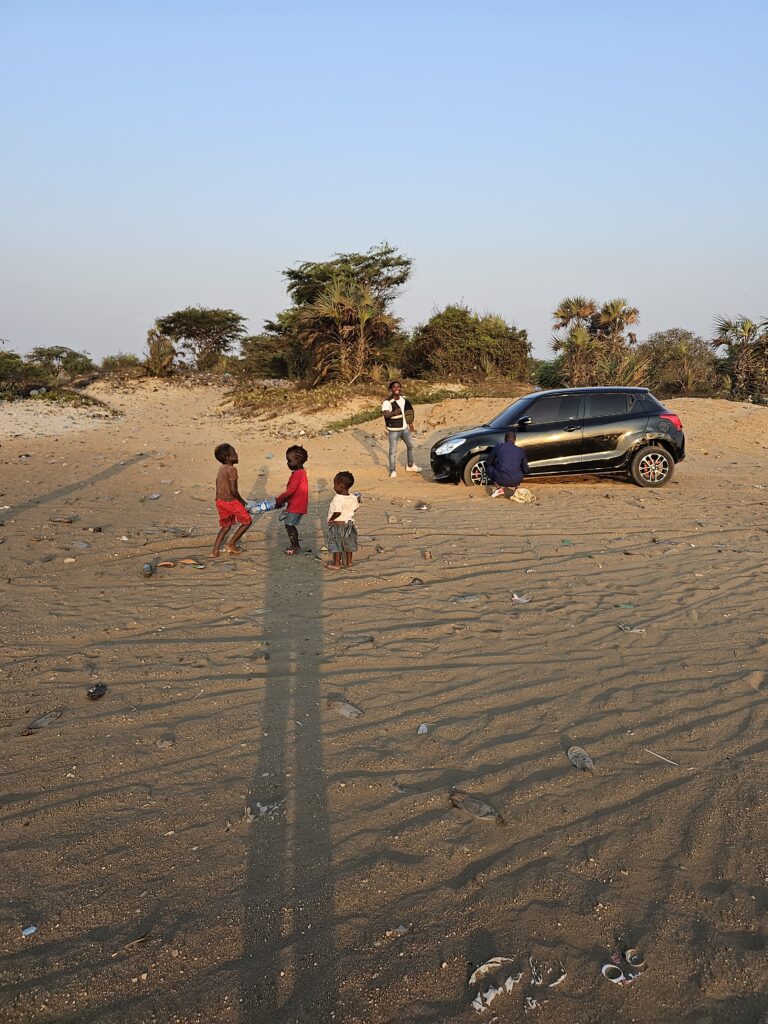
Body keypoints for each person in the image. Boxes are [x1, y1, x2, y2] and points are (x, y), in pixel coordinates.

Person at [212, 443, 252, 556]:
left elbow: (217, 483)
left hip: (219, 501)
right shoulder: (232, 470)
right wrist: (242, 501)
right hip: (230, 501)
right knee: (247, 521)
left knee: (225, 526)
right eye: (234, 454)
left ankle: (215, 550)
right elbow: (234, 490)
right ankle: (231, 543)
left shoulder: (221, 468)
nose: (237, 455)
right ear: (228, 458)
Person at [381, 380, 421, 478]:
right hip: (394, 430)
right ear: (391, 389)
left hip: (405, 429)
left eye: (398, 387)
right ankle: (392, 471)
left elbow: (407, 411)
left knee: (411, 445)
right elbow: (386, 414)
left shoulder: (403, 399)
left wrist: (410, 423)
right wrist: (393, 413)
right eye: (394, 387)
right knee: (393, 452)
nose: (397, 389)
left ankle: (410, 466)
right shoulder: (387, 402)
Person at [275, 445, 309, 554]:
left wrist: (279, 499)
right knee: (290, 525)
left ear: (298, 460)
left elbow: (290, 490)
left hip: (296, 505)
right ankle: (295, 544)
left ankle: (295, 546)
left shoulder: (298, 474)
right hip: (296, 504)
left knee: (289, 525)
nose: (287, 463)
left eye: (289, 461)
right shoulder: (301, 473)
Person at [326, 471, 360, 569]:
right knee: (349, 543)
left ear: (340, 487)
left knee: (337, 544)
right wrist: (349, 514)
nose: (334, 487)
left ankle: (336, 564)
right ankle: (349, 562)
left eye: (335, 485)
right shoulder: (353, 497)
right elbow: (355, 508)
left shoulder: (337, 499)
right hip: (350, 524)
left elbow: (337, 512)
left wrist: (331, 519)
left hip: (338, 524)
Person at [486, 431, 529, 498]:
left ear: (505, 440)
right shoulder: (520, 450)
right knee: (519, 468)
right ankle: (516, 489)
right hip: (516, 480)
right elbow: (526, 469)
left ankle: (498, 488)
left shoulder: (498, 447)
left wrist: (497, 464)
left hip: (501, 479)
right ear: (514, 440)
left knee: (489, 468)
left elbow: (489, 462)